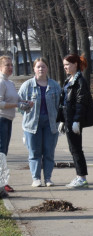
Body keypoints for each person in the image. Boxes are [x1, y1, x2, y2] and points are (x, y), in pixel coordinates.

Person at [17, 58, 61, 187]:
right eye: (38, 67)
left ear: (47, 68)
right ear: (34, 69)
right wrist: (26, 106)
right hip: (32, 125)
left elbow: (60, 104)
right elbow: (19, 104)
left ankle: (48, 178)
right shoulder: (27, 85)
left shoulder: (54, 85)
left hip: (51, 124)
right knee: (35, 152)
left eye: (43, 67)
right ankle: (36, 178)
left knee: (49, 152)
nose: (41, 69)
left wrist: (62, 121)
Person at [59, 54, 93, 189]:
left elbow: (81, 102)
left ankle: (81, 177)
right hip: (68, 118)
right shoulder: (69, 79)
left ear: (75, 64)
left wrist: (76, 120)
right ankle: (79, 176)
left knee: (76, 149)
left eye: (67, 64)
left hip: (74, 119)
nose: (65, 67)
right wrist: (63, 120)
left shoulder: (80, 80)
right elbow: (65, 101)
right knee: (73, 148)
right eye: (64, 65)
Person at [0, 55, 20, 193]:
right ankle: (2, 183)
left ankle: (3, 182)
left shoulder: (10, 83)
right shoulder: (1, 82)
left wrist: (25, 103)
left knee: (4, 152)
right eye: (7, 65)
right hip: (1, 119)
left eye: (11, 65)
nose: (10, 67)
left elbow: (18, 99)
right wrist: (17, 105)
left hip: (8, 120)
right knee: (1, 152)